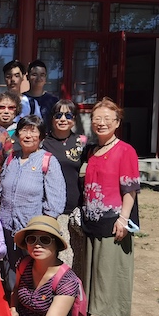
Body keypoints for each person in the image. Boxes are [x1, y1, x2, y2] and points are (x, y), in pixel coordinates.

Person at [80, 98, 140, 316]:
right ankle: (88, 310)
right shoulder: (91, 150)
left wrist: (123, 218)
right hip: (90, 220)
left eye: (107, 119)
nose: (101, 123)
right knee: (91, 271)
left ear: (117, 122)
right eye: (97, 118)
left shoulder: (125, 150)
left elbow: (130, 189)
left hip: (112, 220)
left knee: (106, 271)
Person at [0, 114, 66, 291]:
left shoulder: (47, 161)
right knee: (10, 272)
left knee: (33, 274)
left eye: (33, 131)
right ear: (18, 134)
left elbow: (55, 203)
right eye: (24, 130)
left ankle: (33, 304)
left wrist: (42, 232)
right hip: (7, 228)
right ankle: (13, 302)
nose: (28, 135)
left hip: (32, 233)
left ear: (41, 136)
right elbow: (0, 195)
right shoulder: (11, 159)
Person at [42, 99, 87, 266]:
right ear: (52, 118)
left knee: (78, 257)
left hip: (77, 209)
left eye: (68, 115)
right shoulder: (44, 144)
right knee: (59, 258)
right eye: (58, 115)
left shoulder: (82, 142)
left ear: (74, 119)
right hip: (52, 210)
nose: (63, 119)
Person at [26, 60, 59, 125]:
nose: (38, 78)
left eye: (42, 75)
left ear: (45, 78)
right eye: (34, 75)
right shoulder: (21, 99)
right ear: (27, 77)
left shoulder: (53, 101)